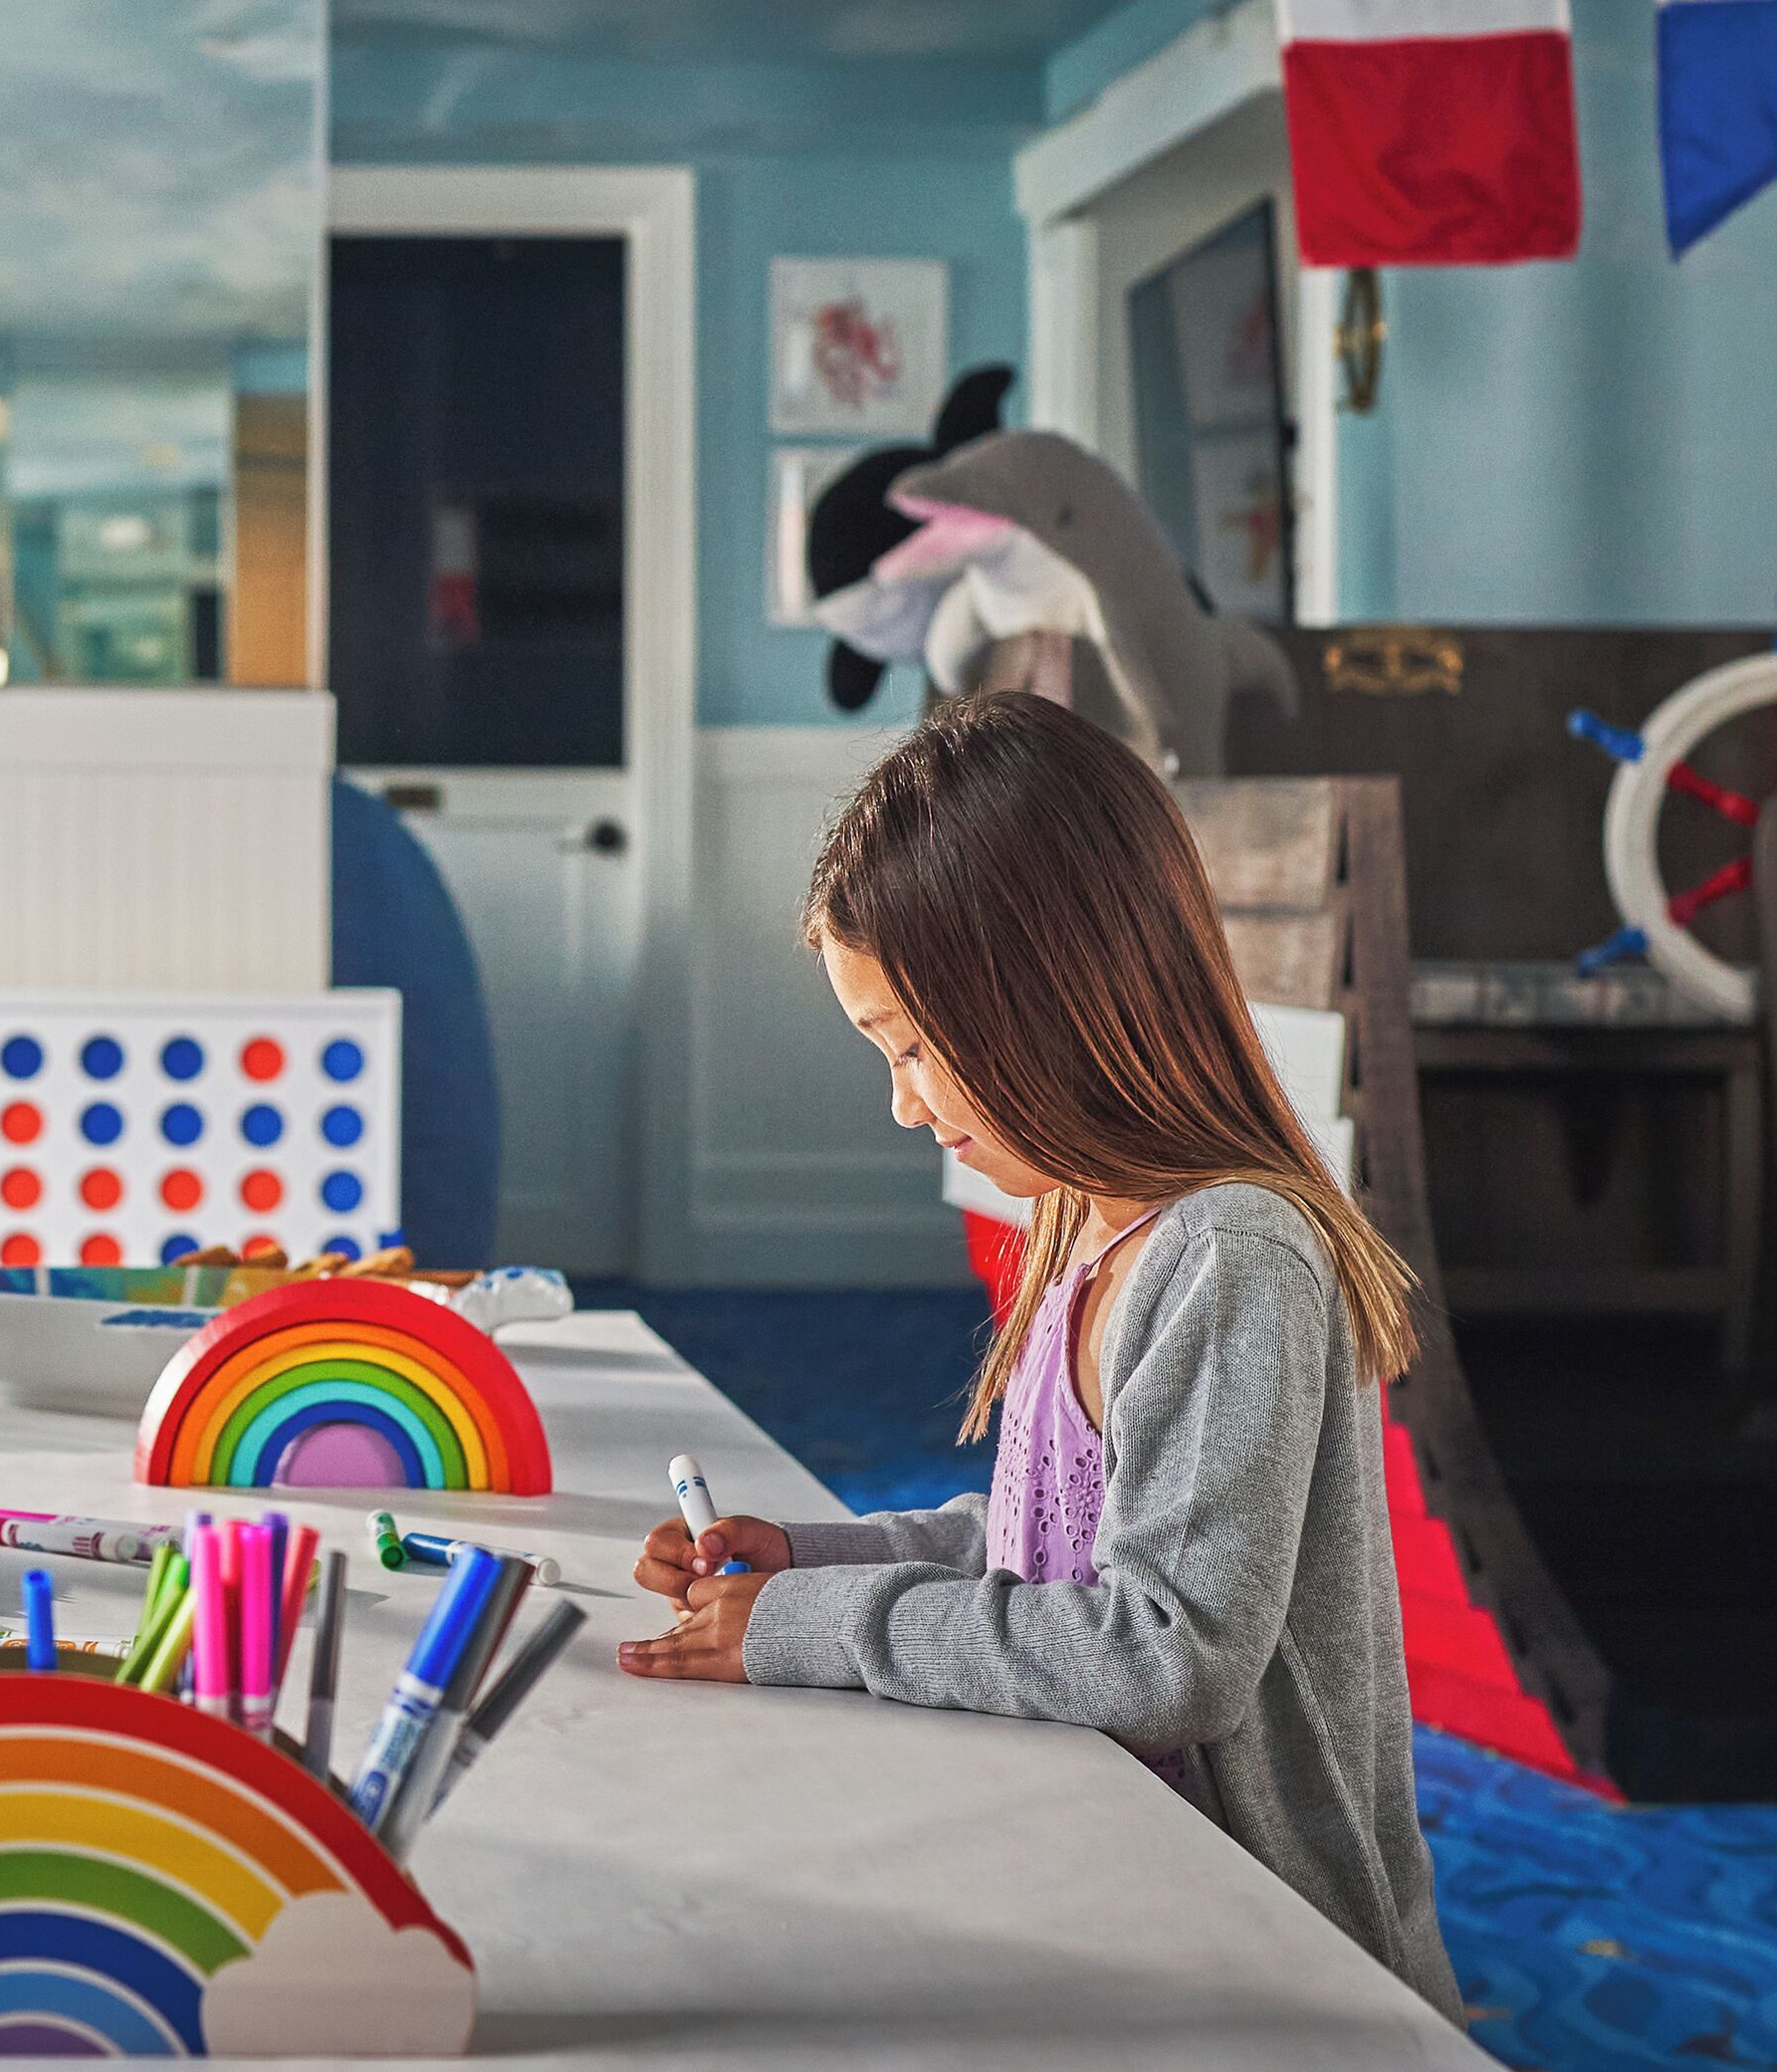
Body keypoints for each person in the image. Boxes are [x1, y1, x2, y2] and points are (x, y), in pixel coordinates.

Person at [623, 693, 1459, 2015]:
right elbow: (1055, 1548)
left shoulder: (1230, 1255)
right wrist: (809, 1558)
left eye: (913, 1045)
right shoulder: (1090, 1225)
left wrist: (812, 1629)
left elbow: (1163, 1655)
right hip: (1120, 1890)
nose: (902, 1102)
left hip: (1265, 1972)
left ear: (1049, 993)